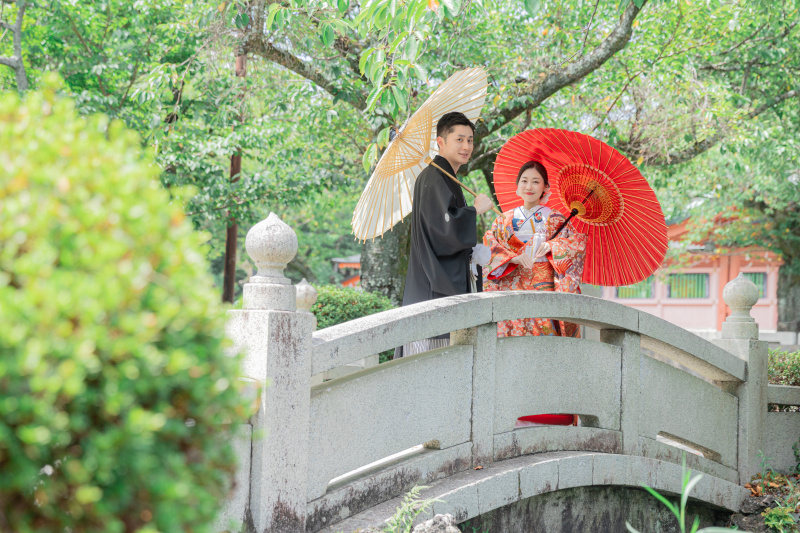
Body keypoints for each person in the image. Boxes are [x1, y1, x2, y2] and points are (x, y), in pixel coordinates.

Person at [397, 111, 494, 357]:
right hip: (434, 285)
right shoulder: (433, 176)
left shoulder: (445, 177)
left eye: (470, 140)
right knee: (431, 365)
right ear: (441, 142)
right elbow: (444, 231)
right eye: (459, 139)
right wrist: (475, 210)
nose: (466, 146)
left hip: (442, 282)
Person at [483, 160, 587, 338]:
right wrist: (512, 258)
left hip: (543, 288)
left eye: (536, 181)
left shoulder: (556, 219)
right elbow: (489, 245)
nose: (529, 186)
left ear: (545, 186)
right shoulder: (503, 219)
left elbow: (576, 245)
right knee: (509, 340)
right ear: (517, 185)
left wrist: (553, 245)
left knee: (544, 339)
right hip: (510, 286)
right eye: (524, 180)